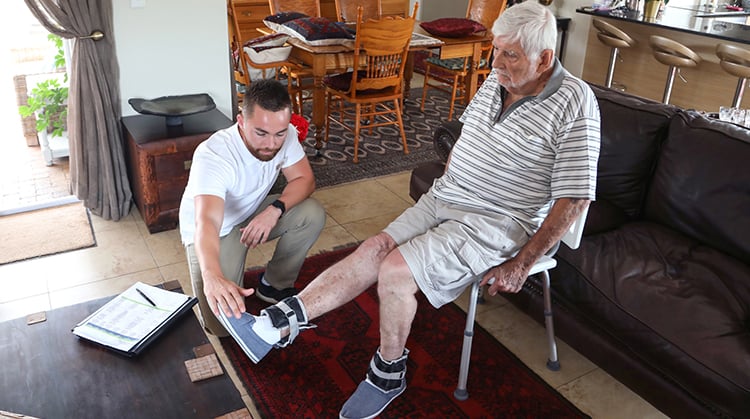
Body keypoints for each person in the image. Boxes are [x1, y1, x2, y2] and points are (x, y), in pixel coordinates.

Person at [217, 2, 601, 417]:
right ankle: (276, 324)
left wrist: (523, 264)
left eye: (510, 55)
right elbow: (466, 138)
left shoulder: (575, 102)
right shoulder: (498, 79)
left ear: (545, 58)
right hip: (448, 196)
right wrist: (447, 183)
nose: (497, 63)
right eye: (495, 50)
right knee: (374, 248)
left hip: (498, 220)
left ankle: (388, 373)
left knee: (396, 271)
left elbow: (575, 197)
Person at [178, 79, 326, 337]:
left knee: (311, 213)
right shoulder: (214, 155)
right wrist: (211, 275)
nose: (271, 144)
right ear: (241, 121)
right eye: (261, 133)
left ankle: (274, 285)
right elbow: (208, 222)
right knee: (223, 328)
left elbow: (305, 179)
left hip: (250, 215)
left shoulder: (286, 134)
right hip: (216, 230)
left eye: (279, 134)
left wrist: (275, 210)